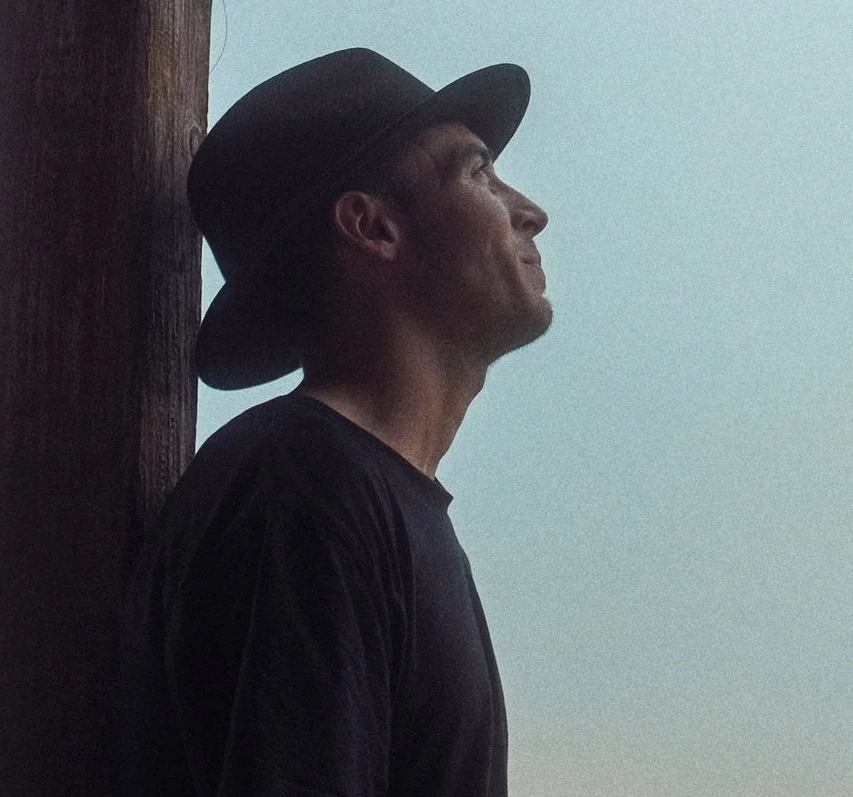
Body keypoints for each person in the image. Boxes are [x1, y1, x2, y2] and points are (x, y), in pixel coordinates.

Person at [119, 47, 553, 797]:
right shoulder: (306, 492)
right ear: (373, 226)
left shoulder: (359, 495)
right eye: (479, 173)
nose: (531, 211)